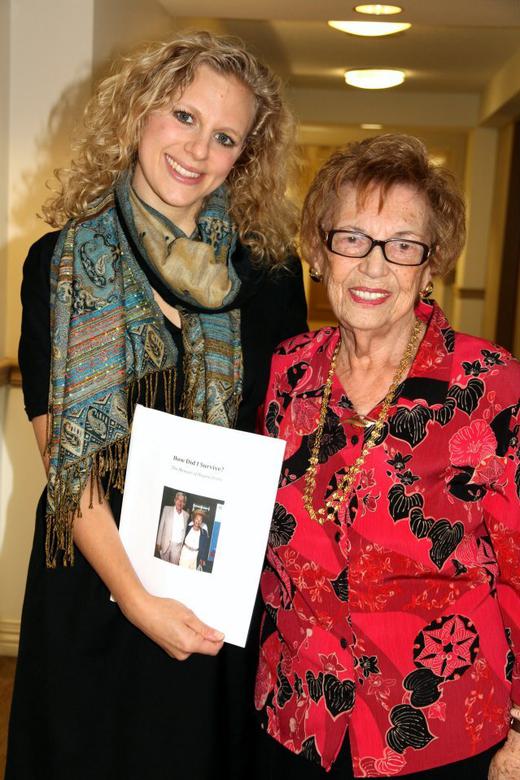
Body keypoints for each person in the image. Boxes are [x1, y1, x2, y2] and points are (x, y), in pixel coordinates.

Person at [6, 31, 307, 780]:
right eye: (183, 116)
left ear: (245, 156)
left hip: (214, 595)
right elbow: (64, 457)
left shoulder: (270, 277)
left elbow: (282, 439)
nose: (197, 149)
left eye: (226, 136)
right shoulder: (62, 263)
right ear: (140, 110)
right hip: (96, 587)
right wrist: (137, 599)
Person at [254, 134, 520, 779]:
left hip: (436, 728)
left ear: (431, 266)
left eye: (402, 245)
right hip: (297, 718)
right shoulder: (289, 370)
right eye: (352, 238)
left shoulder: (487, 382)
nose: (374, 267)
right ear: (320, 252)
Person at [156, 491, 189, 563]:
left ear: (184, 504)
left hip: (177, 546)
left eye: (182, 501)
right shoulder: (166, 509)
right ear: (175, 500)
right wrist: (158, 542)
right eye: (178, 500)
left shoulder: (186, 515)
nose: (180, 502)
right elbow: (161, 526)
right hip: (165, 543)